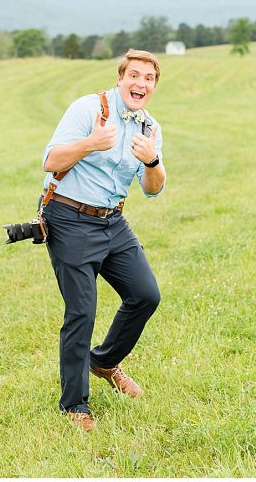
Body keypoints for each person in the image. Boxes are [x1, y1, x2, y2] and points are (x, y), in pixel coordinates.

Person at [39, 49, 167, 431]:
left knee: (146, 294)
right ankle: (74, 406)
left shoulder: (150, 128)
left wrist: (152, 162)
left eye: (149, 79)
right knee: (82, 309)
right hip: (69, 216)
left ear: (154, 87)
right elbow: (50, 160)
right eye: (134, 76)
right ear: (120, 78)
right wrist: (90, 143)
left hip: (112, 221)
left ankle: (104, 362)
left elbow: (153, 189)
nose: (140, 83)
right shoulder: (88, 109)